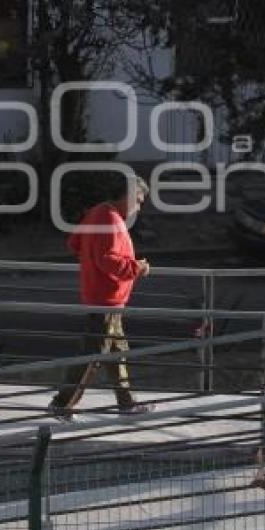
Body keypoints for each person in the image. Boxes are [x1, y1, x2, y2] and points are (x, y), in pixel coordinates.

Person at [48, 172, 153, 420]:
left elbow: (75, 243)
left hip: (105, 298)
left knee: (116, 353)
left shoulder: (99, 212)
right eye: (138, 200)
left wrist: (91, 265)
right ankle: (62, 404)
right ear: (127, 196)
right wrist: (136, 268)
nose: (139, 207)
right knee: (93, 357)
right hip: (105, 300)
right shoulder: (110, 219)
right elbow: (107, 260)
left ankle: (126, 404)